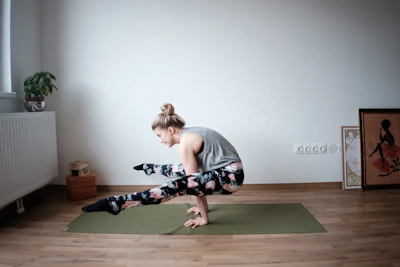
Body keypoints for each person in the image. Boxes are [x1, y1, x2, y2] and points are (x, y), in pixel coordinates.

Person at [82, 103, 244, 228]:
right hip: (227, 173)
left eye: (160, 135)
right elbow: (196, 179)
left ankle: (119, 203)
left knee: (178, 184)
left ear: (171, 130)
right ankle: (150, 168)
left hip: (230, 178)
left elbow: (193, 183)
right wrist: (203, 208)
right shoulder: (192, 132)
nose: (160, 140)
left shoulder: (186, 143)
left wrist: (204, 217)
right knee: (180, 169)